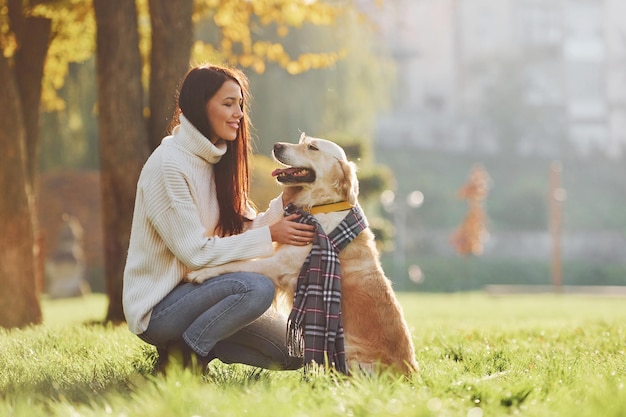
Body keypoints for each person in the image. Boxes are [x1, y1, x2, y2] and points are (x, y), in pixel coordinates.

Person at [122, 63, 315, 372]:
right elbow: (195, 253)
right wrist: (272, 235)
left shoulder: (218, 160)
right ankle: (185, 358)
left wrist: (285, 204)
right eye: (228, 104)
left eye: (240, 104)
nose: (239, 113)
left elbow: (237, 230)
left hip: (206, 293)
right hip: (160, 308)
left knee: (294, 350)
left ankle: (191, 343)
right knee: (257, 289)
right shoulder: (168, 165)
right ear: (200, 106)